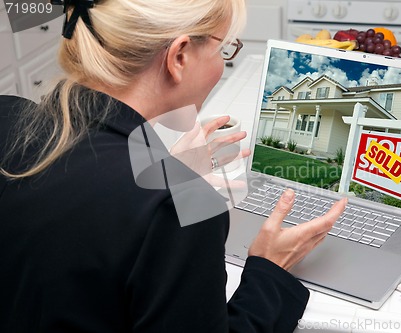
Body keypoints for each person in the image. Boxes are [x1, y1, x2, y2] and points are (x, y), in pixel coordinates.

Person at [0, 0, 347, 332]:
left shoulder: (6, 113)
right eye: (223, 50)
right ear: (179, 56)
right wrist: (270, 270)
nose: (222, 64)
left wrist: (164, 171)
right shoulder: (177, 208)